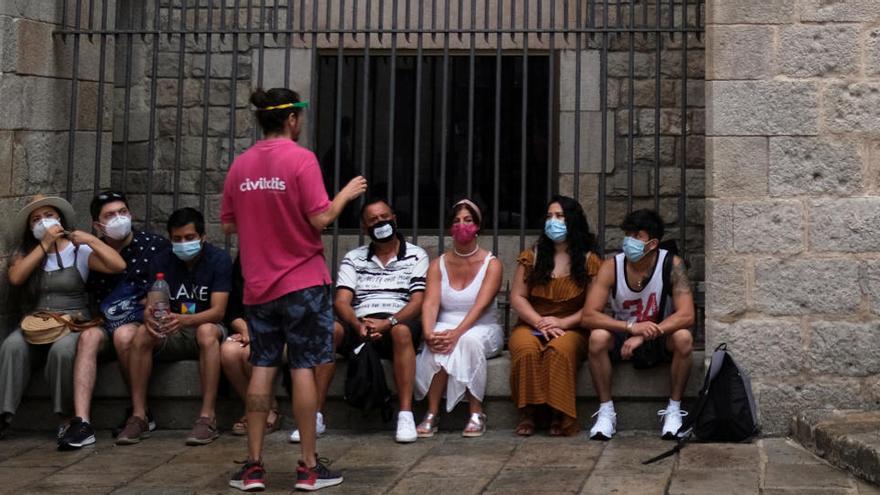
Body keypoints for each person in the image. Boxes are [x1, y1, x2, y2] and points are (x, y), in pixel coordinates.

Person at [221, 87, 367, 492]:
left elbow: (229, 225)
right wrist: (346, 194)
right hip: (303, 281)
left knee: (263, 368)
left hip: (259, 285)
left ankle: (253, 466)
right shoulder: (302, 159)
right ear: (291, 119)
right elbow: (320, 218)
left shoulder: (241, 165)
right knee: (304, 366)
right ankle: (306, 466)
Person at [292, 197, 429, 447]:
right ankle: (315, 415)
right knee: (329, 330)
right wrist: (358, 325)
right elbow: (342, 301)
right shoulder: (354, 258)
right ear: (364, 228)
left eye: (385, 217)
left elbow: (418, 301)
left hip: (397, 323)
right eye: (373, 220)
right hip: (361, 323)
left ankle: (406, 415)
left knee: (401, 333)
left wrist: (388, 322)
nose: (381, 223)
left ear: (394, 219)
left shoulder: (416, 255)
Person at [0, 195, 125, 439]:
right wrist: (44, 245)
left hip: (72, 321)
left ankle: (66, 417)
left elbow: (117, 265)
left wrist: (90, 239)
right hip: (36, 321)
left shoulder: (78, 251)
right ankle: (4, 414)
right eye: (36, 219)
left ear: (60, 218)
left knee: (63, 351)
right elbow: (16, 278)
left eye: (48, 216)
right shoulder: (25, 253)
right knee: (11, 346)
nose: (43, 222)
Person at [58, 191, 171, 450]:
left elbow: (166, 287)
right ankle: (82, 422)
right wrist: (91, 242)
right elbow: (112, 266)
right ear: (98, 225)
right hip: (104, 322)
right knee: (88, 338)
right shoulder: (90, 252)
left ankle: (139, 412)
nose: (119, 218)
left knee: (124, 334)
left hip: (143, 323)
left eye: (123, 212)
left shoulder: (154, 246)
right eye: (110, 215)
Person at [114, 207, 232, 446]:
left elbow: (218, 311)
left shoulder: (219, 259)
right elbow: (155, 300)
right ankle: (139, 415)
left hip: (204, 329)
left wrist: (184, 320)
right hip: (172, 331)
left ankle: (207, 417)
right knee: (141, 334)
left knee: (207, 330)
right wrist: (149, 314)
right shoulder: (162, 260)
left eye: (189, 238)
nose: (183, 243)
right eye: (177, 239)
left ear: (203, 237)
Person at [582, 209, 695, 440]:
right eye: (628, 234)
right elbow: (588, 316)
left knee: (684, 337)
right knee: (597, 337)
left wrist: (646, 334)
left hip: (658, 333)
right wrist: (631, 328)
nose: (629, 241)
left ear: (652, 243)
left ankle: (673, 410)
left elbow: (687, 315)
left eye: (637, 236)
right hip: (624, 334)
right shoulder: (611, 266)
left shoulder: (672, 264)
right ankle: (606, 412)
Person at [507, 195, 601, 437]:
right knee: (526, 349)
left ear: (573, 221)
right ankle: (529, 413)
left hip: (572, 325)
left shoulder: (590, 261)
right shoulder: (532, 256)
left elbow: (593, 307)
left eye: (559, 216)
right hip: (532, 322)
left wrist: (562, 322)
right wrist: (539, 321)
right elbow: (517, 296)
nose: (553, 221)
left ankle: (559, 413)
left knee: (558, 351)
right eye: (549, 216)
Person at [414, 199, 504, 438]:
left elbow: (481, 305)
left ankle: (476, 411)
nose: (462, 225)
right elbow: (431, 302)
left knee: (467, 341)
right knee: (438, 342)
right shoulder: (437, 264)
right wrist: (428, 332)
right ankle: (432, 413)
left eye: (467, 220)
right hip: (446, 323)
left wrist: (457, 332)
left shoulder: (492, 264)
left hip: (481, 325)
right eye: (456, 221)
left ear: (477, 226)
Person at [220, 256, 280, 436]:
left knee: (250, 353)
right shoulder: (242, 264)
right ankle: (258, 408)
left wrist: (257, 333)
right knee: (228, 352)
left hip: (277, 333)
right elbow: (232, 311)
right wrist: (245, 329)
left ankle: (264, 410)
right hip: (247, 329)